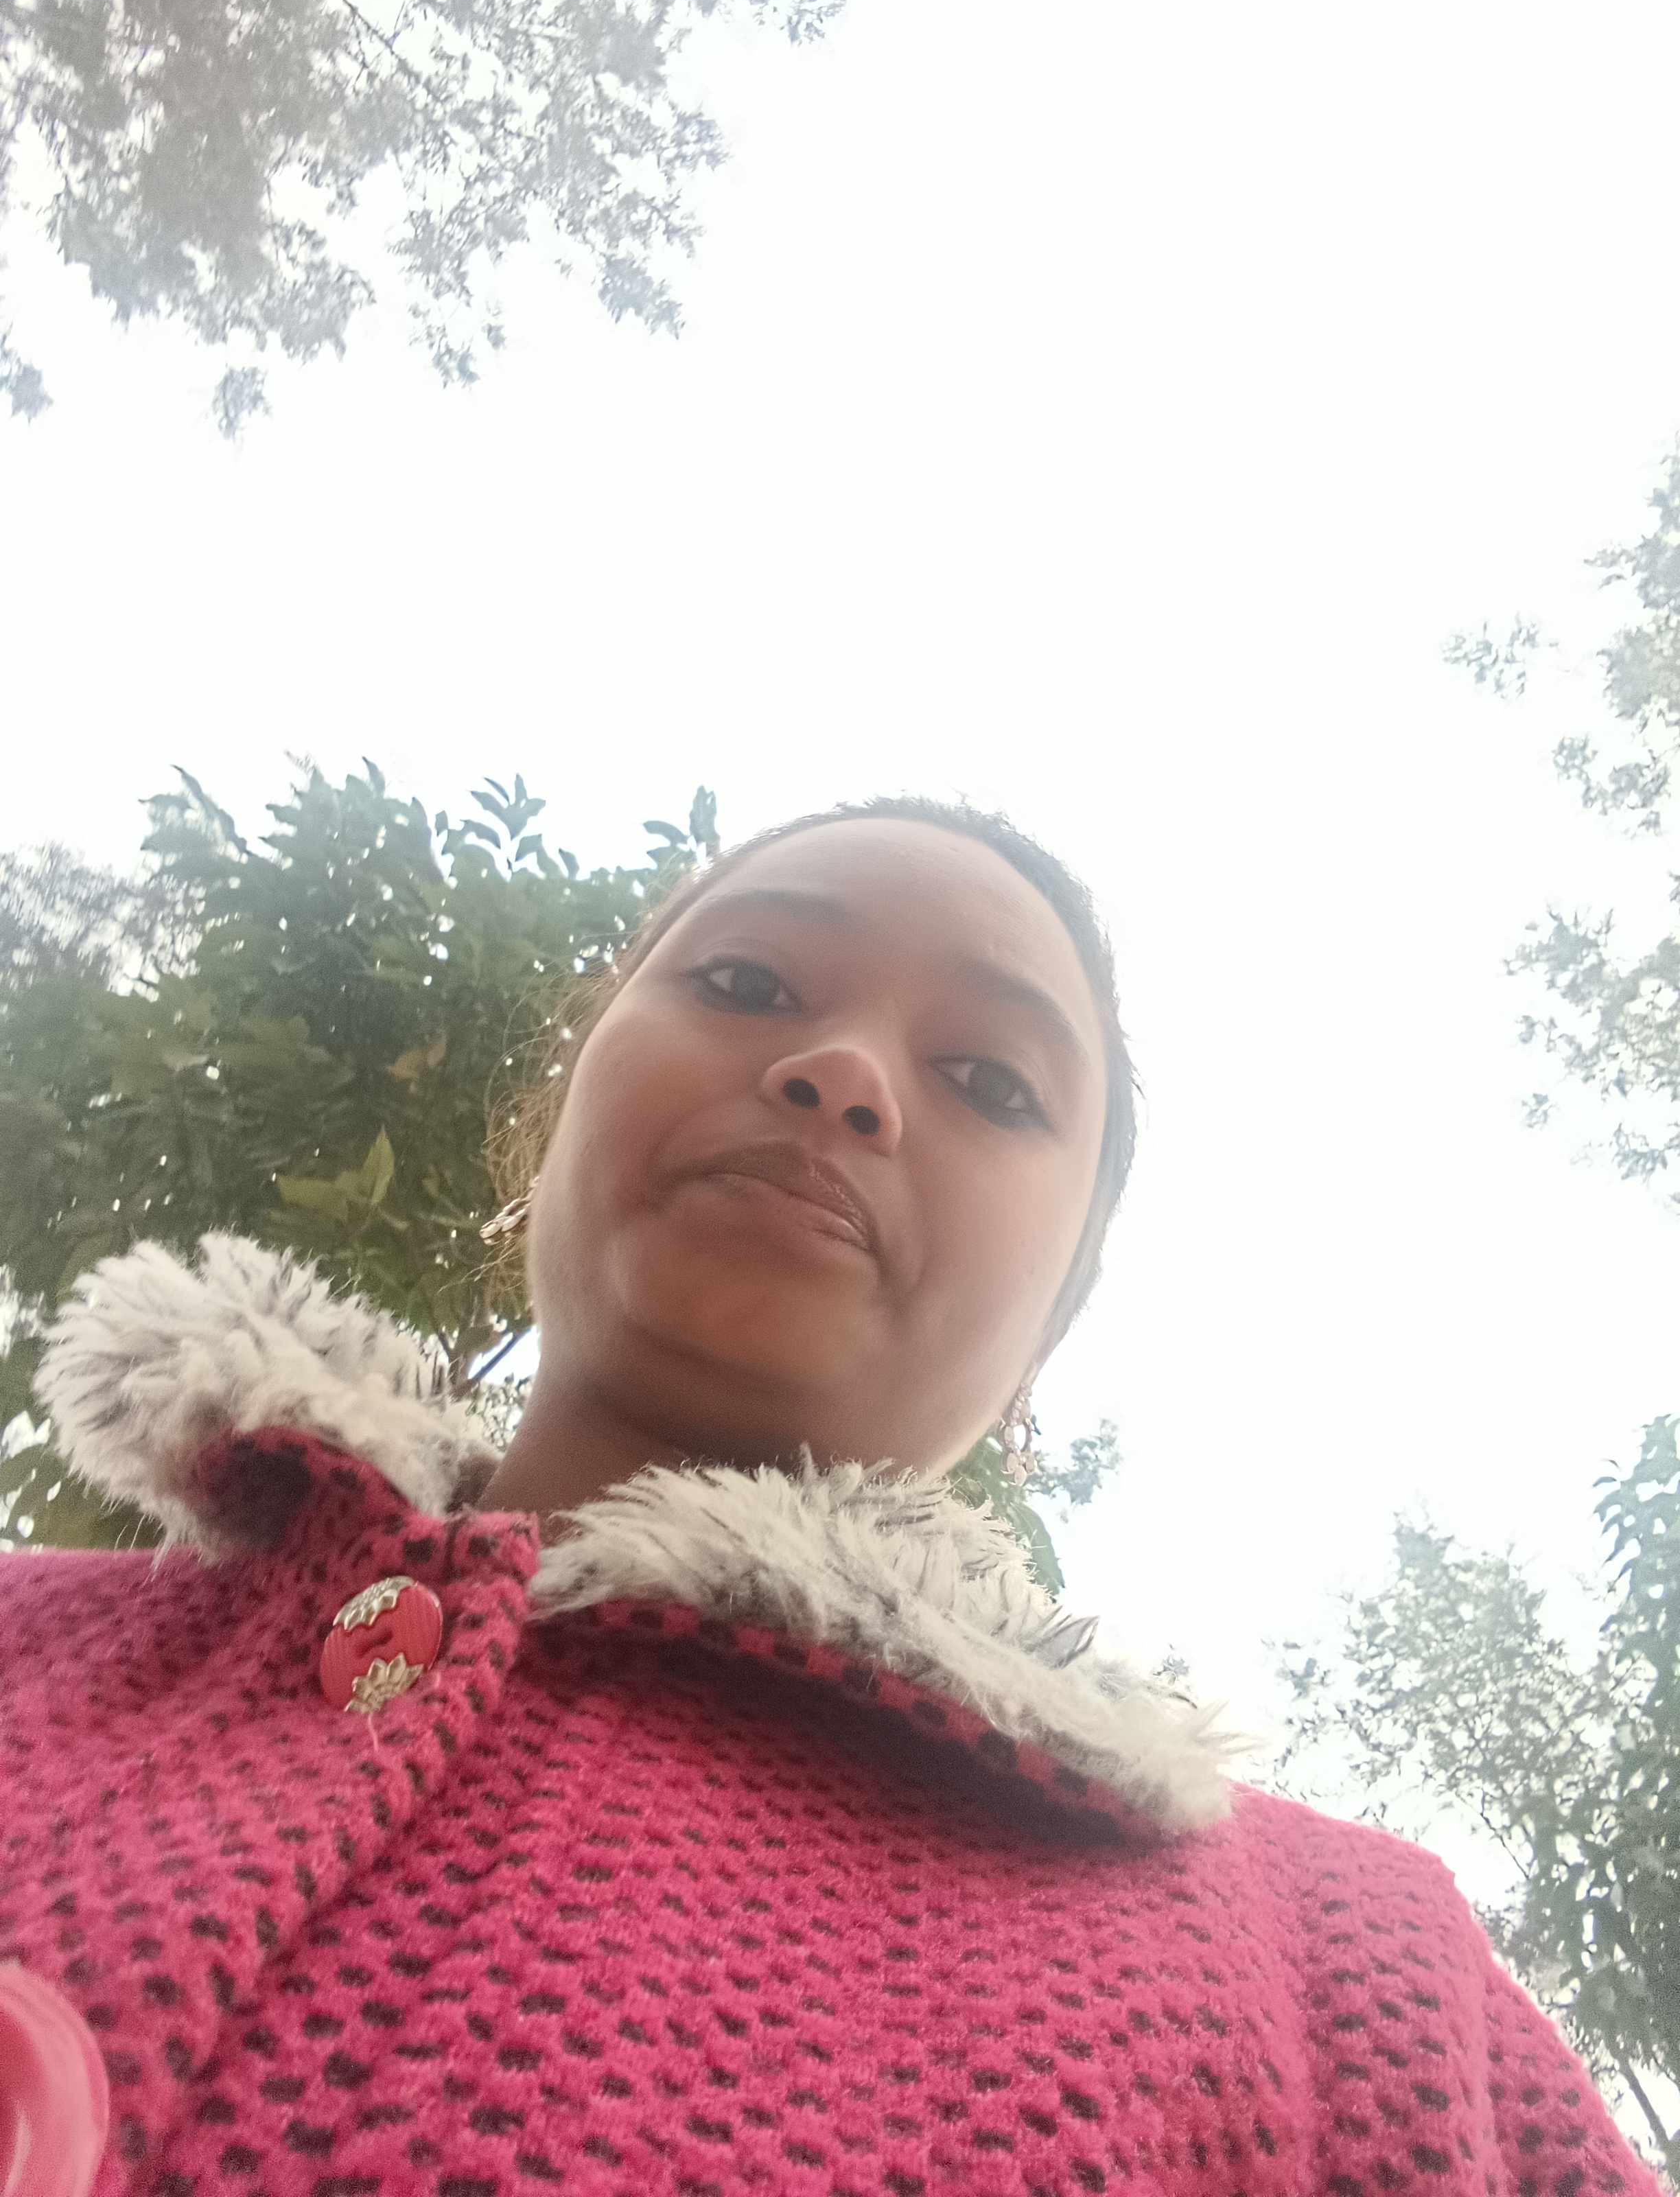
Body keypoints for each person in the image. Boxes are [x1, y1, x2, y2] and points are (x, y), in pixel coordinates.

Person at [0, 795, 1661, 2197]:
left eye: (992, 1081)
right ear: (558, 1123)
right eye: (745, 981)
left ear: (1042, 1347)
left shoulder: (1362, 1974)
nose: (843, 1071)